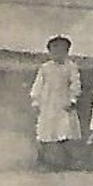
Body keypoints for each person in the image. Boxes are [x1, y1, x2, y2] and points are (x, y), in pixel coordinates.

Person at [30, 35, 82, 168]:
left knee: (65, 132)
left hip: (64, 104)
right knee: (44, 132)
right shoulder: (45, 68)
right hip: (48, 104)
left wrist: (72, 99)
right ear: (49, 51)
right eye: (54, 50)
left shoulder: (71, 67)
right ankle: (41, 159)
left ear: (67, 51)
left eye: (61, 50)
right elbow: (38, 85)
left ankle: (67, 161)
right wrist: (36, 101)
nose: (57, 54)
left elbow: (75, 84)